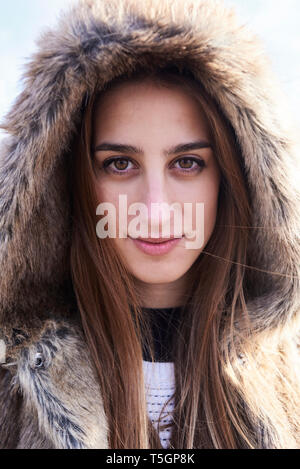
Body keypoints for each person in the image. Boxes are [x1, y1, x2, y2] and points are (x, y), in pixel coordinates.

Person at [0, 0, 299, 450]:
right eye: (119, 163)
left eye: (187, 162)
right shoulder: (13, 386)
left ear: (235, 180)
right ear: (66, 180)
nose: (155, 210)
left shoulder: (291, 377)